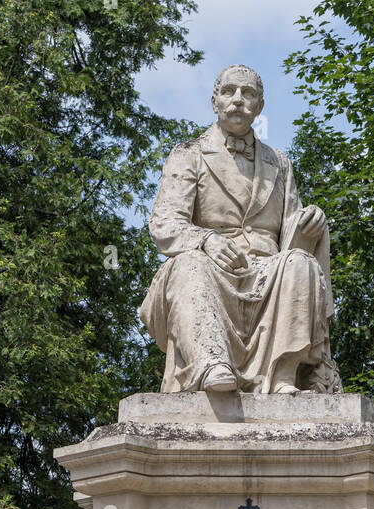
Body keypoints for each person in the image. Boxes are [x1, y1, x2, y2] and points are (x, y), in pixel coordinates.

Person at [139, 64, 341, 394]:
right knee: (188, 265)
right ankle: (211, 363)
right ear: (214, 101)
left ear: (259, 106)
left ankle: (283, 375)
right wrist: (205, 240)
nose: (237, 99)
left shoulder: (279, 162)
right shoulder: (189, 154)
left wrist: (309, 223)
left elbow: (290, 232)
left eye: (248, 94)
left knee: (301, 264)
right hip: (212, 269)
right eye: (229, 91)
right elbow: (164, 224)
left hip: (268, 271)